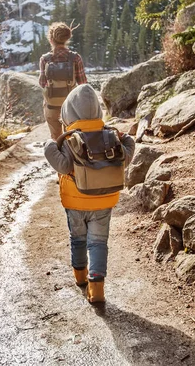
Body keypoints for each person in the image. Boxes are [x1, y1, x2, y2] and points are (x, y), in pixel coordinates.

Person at [44, 84, 135, 303]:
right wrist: (125, 138)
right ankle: (97, 289)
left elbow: (63, 166)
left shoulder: (68, 139)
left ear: (68, 113)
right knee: (98, 243)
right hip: (104, 201)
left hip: (75, 204)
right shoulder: (109, 136)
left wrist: (49, 146)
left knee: (78, 239)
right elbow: (127, 154)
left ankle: (80, 277)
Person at [39, 22, 88, 140]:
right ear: (67, 38)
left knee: (56, 137)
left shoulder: (45, 59)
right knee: (72, 136)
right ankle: (72, 156)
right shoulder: (75, 58)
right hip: (70, 106)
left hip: (51, 106)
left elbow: (42, 83)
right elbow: (83, 84)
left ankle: (60, 156)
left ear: (51, 39)